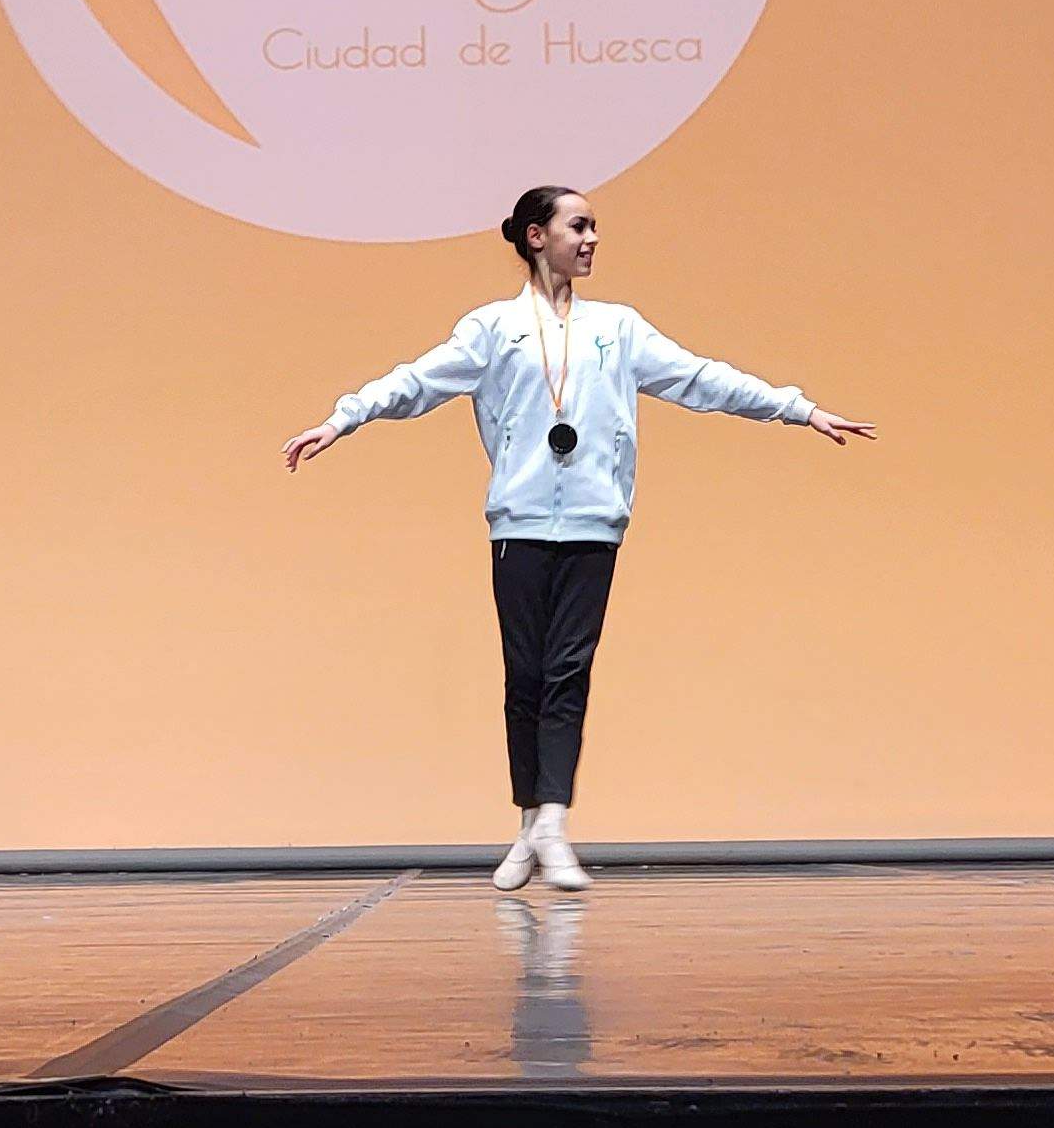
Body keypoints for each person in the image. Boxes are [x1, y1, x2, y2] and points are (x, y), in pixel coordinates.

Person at [283, 186, 874, 893]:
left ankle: (554, 822)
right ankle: (529, 822)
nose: (592, 239)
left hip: (594, 523)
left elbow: (701, 378)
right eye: (579, 226)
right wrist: (342, 419)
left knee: (569, 673)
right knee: (524, 679)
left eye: (594, 227)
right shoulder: (493, 329)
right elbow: (416, 381)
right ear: (537, 236)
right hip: (520, 524)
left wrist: (796, 408)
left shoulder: (619, 330)